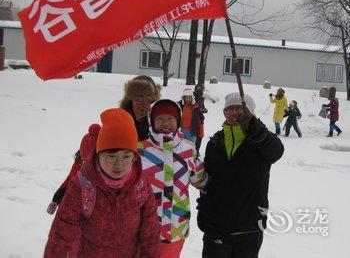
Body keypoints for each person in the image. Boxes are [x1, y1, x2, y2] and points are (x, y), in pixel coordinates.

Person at [44, 108, 160, 257]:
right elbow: (61, 235)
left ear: (134, 157)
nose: (119, 165)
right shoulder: (82, 186)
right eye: (111, 156)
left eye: (126, 156)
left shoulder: (140, 185)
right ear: (98, 154)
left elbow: (150, 234)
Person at [197, 93, 284, 258]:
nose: (233, 112)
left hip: (248, 225)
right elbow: (208, 181)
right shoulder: (214, 143)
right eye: (229, 109)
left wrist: (258, 131)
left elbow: (276, 152)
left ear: (249, 112)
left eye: (239, 108)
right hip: (216, 226)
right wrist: (203, 208)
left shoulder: (261, 141)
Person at [138, 99, 208, 258]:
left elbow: (200, 180)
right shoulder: (139, 151)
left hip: (176, 227)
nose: (165, 123)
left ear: (178, 121)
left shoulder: (189, 149)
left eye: (170, 118)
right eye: (160, 118)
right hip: (145, 228)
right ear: (152, 121)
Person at [47, 123, 101, 215]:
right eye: (85, 159)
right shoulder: (79, 163)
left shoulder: (109, 170)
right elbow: (70, 180)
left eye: (91, 160)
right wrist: (57, 198)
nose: (87, 163)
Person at [120, 75, 161, 141]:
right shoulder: (122, 119)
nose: (141, 105)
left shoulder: (161, 120)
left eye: (146, 100)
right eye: (137, 100)